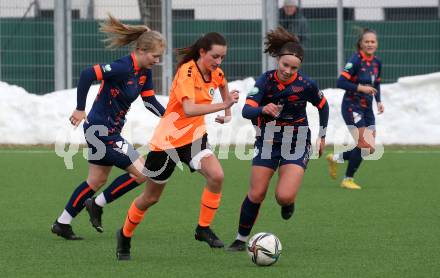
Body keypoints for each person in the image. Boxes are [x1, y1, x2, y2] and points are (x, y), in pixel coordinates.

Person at [115, 32, 240, 260]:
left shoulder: (216, 72)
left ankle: (202, 228)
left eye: (222, 57)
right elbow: (189, 109)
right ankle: (124, 235)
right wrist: (224, 104)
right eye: (215, 56)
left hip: (194, 138)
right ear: (202, 52)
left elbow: (222, 83)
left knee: (217, 176)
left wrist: (228, 112)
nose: (219, 62)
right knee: (150, 198)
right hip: (167, 143)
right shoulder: (187, 72)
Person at [51, 15, 167, 240]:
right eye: (155, 56)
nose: (157, 61)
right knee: (143, 172)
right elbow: (87, 74)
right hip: (100, 130)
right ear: (141, 50)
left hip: (110, 131)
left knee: (96, 180)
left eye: (159, 57)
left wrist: (170, 117)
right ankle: (96, 204)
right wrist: (79, 108)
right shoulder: (122, 67)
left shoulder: (145, 73)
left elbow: (149, 101)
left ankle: (62, 223)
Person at [226, 26, 329, 251]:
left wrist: (322, 135)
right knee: (257, 193)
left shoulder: (306, 85)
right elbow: (246, 111)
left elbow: (323, 105)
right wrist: (263, 108)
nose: (288, 71)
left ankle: (288, 203)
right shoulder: (265, 81)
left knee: (283, 196)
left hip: (297, 141)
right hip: (268, 141)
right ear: (278, 60)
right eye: (285, 65)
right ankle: (241, 239)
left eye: (294, 68)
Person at [327, 28, 384, 190]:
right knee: (364, 144)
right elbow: (341, 82)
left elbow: (376, 83)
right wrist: (360, 88)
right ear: (361, 43)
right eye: (367, 41)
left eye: (373, 41)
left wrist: (378, 101)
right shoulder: (355, 60)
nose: (370, 44)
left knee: (370, 149)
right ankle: (347, 179)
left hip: (367, 108)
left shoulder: (377, 62)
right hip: (352, 106)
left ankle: (336, 158)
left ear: (377, 44)